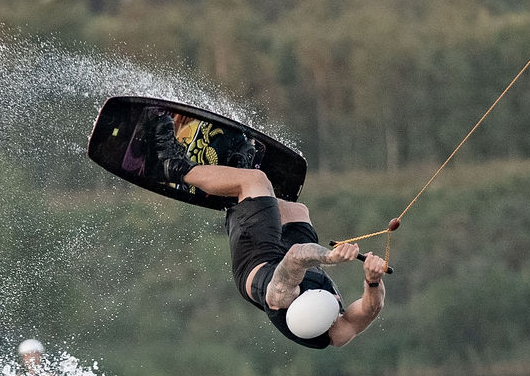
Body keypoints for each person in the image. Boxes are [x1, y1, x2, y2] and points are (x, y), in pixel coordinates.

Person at [151, 130, 389, 349]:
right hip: (288, 258)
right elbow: (371, 309)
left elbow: (296, 256)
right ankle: (235, 178)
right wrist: (373, 280)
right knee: (296, 210)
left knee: (255, 181)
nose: (337, 315)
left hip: (257, 258)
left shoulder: (280, 295)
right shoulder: (337, 331)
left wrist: (330, 257)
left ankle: (176, 167)